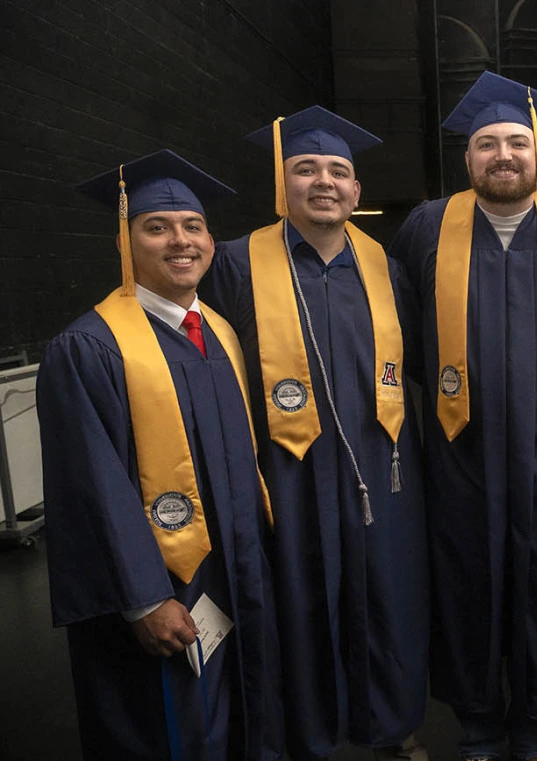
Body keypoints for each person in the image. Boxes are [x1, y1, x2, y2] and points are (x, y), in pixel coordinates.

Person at [386, 71, 537, 761]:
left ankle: (534, 727)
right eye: (488, 144)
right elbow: (404, 339)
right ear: (467, 158)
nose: (503, 155)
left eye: (517, 142)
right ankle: (480, 729)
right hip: (461, 456)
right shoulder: (428, 226)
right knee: (468, 590)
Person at [198, 107, 429, 761]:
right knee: (297, 602)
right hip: (285, 474)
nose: (323, 181)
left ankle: (390, 724)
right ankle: (306, 735)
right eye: (305, 169)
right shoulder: (237, 266)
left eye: (338, 171)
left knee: (386, 596)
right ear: (282, 184)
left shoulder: (387, 267)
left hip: (382, 472)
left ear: (357, 191)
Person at [39, 150, 282, 760]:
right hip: (159, 588)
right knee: (165, 727)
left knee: (238, 715)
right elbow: (90, 486)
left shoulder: (221, 333)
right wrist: (144, 597)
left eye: (193, 226)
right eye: (157, 227)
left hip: (232, 572)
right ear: (125, 240)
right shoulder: (89, 348)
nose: (181, 240)